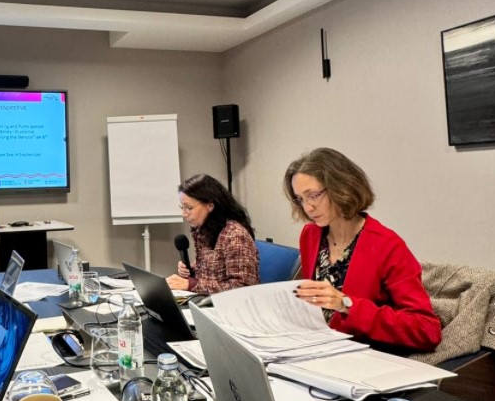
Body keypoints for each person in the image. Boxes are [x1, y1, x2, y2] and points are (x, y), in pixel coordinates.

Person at [283, 147, 441, 352]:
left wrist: (347, 304)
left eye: (313, 195)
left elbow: (426, 329)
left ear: (341, 188)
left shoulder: (386, 245)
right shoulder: (311, 234)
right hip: (319, 344)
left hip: (363, 353)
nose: (308, 208)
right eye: (300, 199)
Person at [166, 174, 259, 293]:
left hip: (227, 303)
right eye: (182, 207)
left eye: (189, 208)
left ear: (210, 206)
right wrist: (192, 269)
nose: (184, 214)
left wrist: (191, 284)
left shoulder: (235, 235)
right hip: (207, 299)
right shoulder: (204, 229)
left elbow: (242, 287)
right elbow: (214, 270)